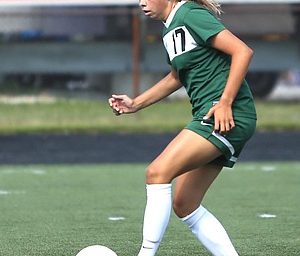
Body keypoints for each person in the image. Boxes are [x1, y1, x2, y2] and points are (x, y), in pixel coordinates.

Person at [108, 0, 257, 255]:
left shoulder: (189, 14)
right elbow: (176, 77)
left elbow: (243, 51)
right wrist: (136, 103)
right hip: (214, 114)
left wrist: (225, 102)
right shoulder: (170, 27)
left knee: (157, 172)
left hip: (224, 114)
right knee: (185, 204)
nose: (142, 2)